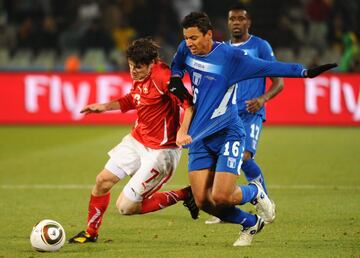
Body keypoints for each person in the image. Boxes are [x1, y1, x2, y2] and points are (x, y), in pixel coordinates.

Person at [170, 12, 336, 246]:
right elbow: (177, 63)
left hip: (228, 131)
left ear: (209, 34)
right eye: (186, 38)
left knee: (221, 196)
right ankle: (250, 222)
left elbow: (268, 66)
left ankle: (255, 192)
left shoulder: (231, 58)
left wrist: (304, 72)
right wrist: (176, 77)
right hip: (198, 135)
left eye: (194, 38)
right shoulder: (186, 48)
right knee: (203, 201)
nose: (189, 43)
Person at [68, 38, 198, 244]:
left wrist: (182, 131)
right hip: (137, 140)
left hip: (161, 152)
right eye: (130, 66)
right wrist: (104, 106)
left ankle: (185, 194)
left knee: (126, 207)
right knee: (102, 181)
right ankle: (90, 233)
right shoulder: (141, 75)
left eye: (138, 67)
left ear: (151, 63)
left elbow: (189, 104)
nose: (133, 71)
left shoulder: (163, 77)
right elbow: (134, 98)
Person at [205, 4, 284, 225]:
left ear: (248, 22)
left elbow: (279, 82)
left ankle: (263, 200)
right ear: (228, 23)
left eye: (241, 19)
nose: (236, 22)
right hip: (228, 114)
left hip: (251, 113)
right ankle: (227, 204)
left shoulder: (260, 46)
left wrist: (262, 99)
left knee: (244, 157)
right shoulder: (223, 50)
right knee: (224, 158)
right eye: (232, 19)